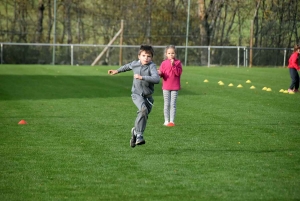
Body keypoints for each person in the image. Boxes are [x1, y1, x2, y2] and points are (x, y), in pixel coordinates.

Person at [108, 45, 160, 148]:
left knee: (143, 115)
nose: (146, 58)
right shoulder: (135, 64)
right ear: (139, 56)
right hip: (136, 95)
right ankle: (140, 136)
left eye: (148, 56)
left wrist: (142, 77)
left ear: (152, 58)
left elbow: (156, 79)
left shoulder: (152, 66)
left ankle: (135, 132)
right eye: (143, 55)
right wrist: (116, 71)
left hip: (148, 97)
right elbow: (127, 66)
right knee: (143, 110)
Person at [157, 45, 183, 127]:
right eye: (169, 53)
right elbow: (161, 73)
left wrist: (173, 65)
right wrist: (159, 73)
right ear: (166, 54)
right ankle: (166, 120)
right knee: (166, 104)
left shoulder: (178, 63)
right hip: (166, 87)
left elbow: (178, 73)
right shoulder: (163, 63)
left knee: (173, 104)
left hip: (175, 87)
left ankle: (172, 121)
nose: (171, 55)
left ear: (175, 54)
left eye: (172, 53)